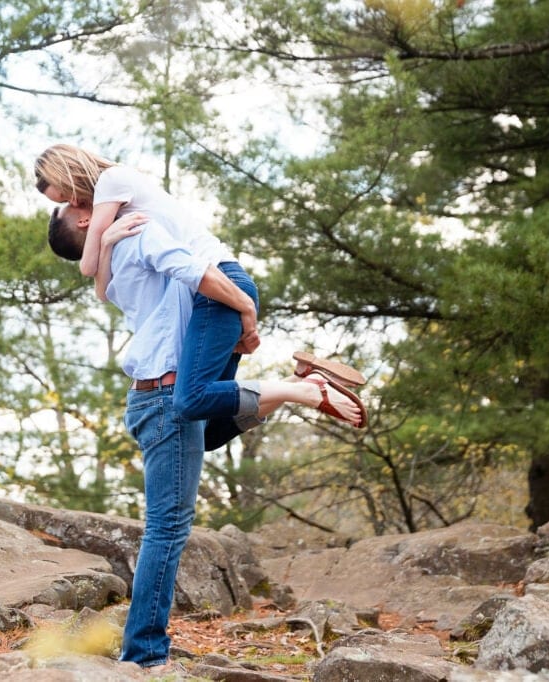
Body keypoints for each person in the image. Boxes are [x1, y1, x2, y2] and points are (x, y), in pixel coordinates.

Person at [47, 204, 364, 671]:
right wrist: (245, 308)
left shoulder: (121, 264)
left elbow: (100, 280)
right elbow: (192, 270)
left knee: (172, 511)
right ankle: (300, 386)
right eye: (77, 207)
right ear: (81, 223)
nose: (87, 204)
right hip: (165, 397)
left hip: (156, 396)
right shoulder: (134, 242)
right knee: (170, 521)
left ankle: (143, 656)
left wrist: (108, 239)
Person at [35, 143, 367, 438]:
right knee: (208, 430)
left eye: (66, 195)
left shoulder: (112, 182)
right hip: (209, 289)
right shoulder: (118, 210)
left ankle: (308, 390)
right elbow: (102, 289)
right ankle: (300, 381)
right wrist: (107, 240)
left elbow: (87, 267)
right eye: (66, 201)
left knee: (191, 398)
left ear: (67, 171)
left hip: (217, 282)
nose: (75, 201)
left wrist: (103, 240)